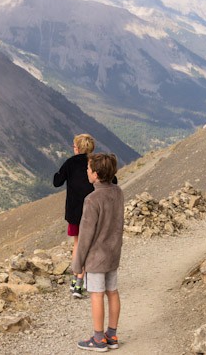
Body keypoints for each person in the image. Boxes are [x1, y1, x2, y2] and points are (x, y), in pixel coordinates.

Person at [72, 153, 124, 352]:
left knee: (96, 295)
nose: (86, 171)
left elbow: (85, 235)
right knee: (113, 292)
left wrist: (78, 264)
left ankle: (98, 339)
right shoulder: (118, 192)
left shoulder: (92, 199)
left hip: (96, 256)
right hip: (113, 252)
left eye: (88, 169)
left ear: (95, 174)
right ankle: (112, 335)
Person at [53, 133, 95, 298]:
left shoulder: (70, 163)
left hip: (74, 212)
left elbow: (57, 182)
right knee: (91, 244)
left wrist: (58, 173)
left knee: (77, 244)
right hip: (92, 211)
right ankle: (87, 279)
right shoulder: (95, 162)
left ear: (77, 148)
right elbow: (113, 181)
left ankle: (76, 280)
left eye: (74, 145)